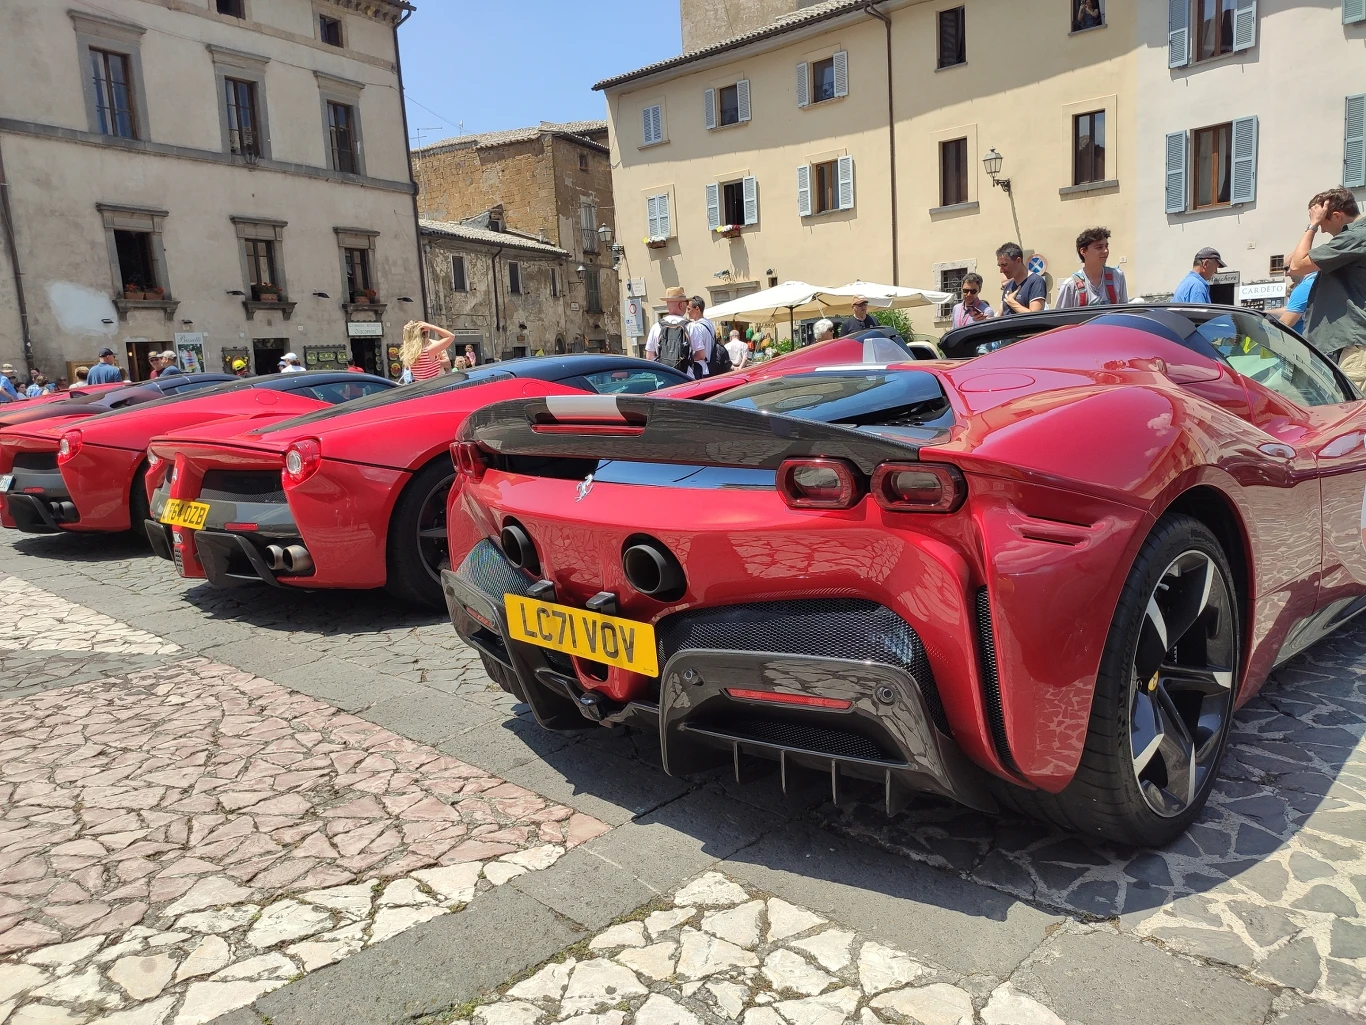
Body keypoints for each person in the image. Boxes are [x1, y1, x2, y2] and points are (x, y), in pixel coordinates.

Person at [1289, 187, 1366, 383]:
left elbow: (1297, 265)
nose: (1322, 230)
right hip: (1351, 345)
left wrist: (1312, 225)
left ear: (1337, 216)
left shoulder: (1354, 237)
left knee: (1352, 410)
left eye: (1323, 223)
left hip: (1355, 348)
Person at [645, 285, 712, 378]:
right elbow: (701, 355)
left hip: (663, 378)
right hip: (685, 377)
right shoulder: (691, 326)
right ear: (681, 305)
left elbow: (649, 356)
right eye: (686, 302)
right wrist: (686, 360)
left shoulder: (656, 327)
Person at [1054, 227, 1129, 308]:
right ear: (1083, 251)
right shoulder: (1070, 285)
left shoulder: (1117, 276)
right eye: (1099, 247)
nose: (1106, 251)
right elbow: (1060, 318)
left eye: (1106, 246)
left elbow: (1124, 311)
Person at [997, 243, 1047, 315]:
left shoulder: (1036, 282)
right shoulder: (1008, 286)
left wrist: (1012, 302)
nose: (1001, 270)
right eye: (999, 266)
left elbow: (1036, 316)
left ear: (1018, 261)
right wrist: (984, 319)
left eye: (1004, 265)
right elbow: (999, 317)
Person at [1279, 265, 1317, 334]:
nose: (1286, 274)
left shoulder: (1306, 286)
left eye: (1287, 268)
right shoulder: (1319, 281)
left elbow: (1284, 323)